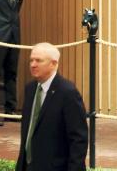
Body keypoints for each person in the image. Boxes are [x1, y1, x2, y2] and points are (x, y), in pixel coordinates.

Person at [16, 43, 88, 171]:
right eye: (31, 60)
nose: (33, 65)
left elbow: (78, 139)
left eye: (38, 60)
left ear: (54, 64)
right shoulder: (30, 89)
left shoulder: (67, 92)